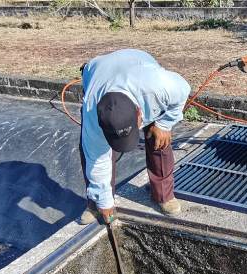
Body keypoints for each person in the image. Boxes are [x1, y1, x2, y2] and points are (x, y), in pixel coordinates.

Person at [77, 49, 190, 224]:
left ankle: (163, 195)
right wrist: (104, 202)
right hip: (99, 72)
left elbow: (183, 89)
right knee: (92, 151)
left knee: (159, 138)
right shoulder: (93, 111)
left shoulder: (159, 87)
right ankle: (95, 203)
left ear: (139, 113)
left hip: (137, 63)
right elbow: (96, 160)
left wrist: (164, 124)